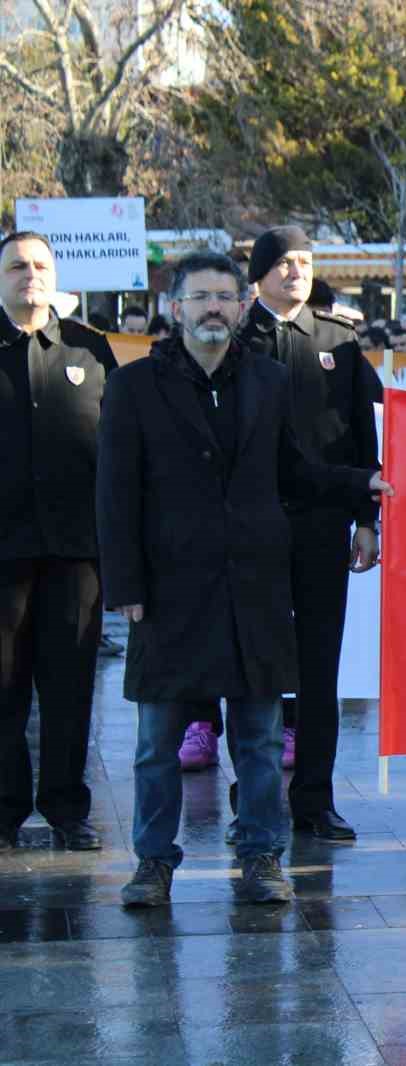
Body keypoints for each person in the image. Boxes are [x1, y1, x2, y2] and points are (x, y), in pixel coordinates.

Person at [100, 252, 391, 907]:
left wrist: (359, 485)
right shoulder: (134, 386)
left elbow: (294, 468)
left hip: (256, 589)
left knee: (259, 738)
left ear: (239, 307)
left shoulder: (266, 379)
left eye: (223, 298)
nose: (212, 308)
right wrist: (125, 588)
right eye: (199, 296)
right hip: (169, 592)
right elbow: (114, 497)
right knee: (157, 745)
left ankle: (262, 855)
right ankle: (153, 863)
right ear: (175, 308)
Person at [218, 224, 382, 841]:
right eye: (283, 262)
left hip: (320, 524)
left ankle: (314, 799)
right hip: (253, 526)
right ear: (258, 274)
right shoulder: (236, 338)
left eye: (305, 261)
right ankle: (251, 799)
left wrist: (367, 520)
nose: (296, 271)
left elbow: (363, 435)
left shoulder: (338, 340)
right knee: (256, 668)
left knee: (319, 669)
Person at [0, 231, 118, 852]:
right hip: (3, 555)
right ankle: (5, 810)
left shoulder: (90, 349)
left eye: (41, 265)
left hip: (78, 555)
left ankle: (68, 809)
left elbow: (121, 450)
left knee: (71, 687)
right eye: (18, 266)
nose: (30, 275)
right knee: (4, 691)